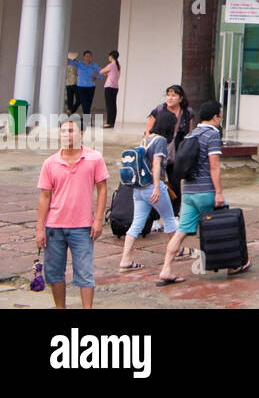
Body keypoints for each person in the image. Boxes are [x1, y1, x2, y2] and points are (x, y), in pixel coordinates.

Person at [157, 101, 249, 286]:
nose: (221, 118)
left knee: (181, 232)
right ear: (215, 116)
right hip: (206, 190)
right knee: (221, 229)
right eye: (220, 115)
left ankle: (166, 268)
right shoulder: (211, 135)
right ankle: (232, 265)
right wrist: (219, 193)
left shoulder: (192, 134)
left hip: (189, 192)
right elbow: (214, 165)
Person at [36, 118, 108, 309]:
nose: (67, 135)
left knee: (85, 273)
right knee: (54, 272)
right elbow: (44, 196)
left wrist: (99, 219)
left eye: (71, 131)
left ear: (81, 134)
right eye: (63, 131)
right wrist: (39, 229)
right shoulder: (50, 163)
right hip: (54, 227)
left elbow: (102, 188)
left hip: (83, 227)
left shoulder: (94, 158)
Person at [118, 112, 179, 272]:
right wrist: (158, 187)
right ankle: (176, 251)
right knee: (169, 220)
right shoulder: (160, 140)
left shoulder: (146, 139)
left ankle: (125, 259)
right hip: (153, 186)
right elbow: (157, 164)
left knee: (136, 223)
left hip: (139, 189)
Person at [146, 85, 193, 216]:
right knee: (156, 182)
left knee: (175, 183)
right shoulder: (158, 110)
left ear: (180, 98)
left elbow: (189, 134)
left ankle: (175, 213)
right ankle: (154, 217)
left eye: (173, 95)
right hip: (158, 151)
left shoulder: (187, 112)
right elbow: (148, 132)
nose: (170, 98)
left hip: (176, 153)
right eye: (168, 95)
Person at [66, 50, 100, 117]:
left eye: (89, 56)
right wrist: (70, 56)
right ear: (84, 57)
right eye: (86, 56)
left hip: (91, 87)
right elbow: (69, 62)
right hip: (81, 87)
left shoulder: (94, 65)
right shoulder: (79, 64)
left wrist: (97, 77)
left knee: (88, 104)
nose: (88, 57)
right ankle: (86, 119)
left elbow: (101, 71)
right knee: (84, 104)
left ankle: (86, 119)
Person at [99, 50, 122, 128]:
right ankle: (112, 122)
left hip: (109, 87)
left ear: (111, 56)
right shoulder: (118, 65)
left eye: (109, 56)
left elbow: (101, 71)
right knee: (113, 105)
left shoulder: (111, 65)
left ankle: (108, 122)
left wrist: (104, 72)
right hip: (115, 87)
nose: (108, 57)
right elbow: (110, 74)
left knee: (109, 105)